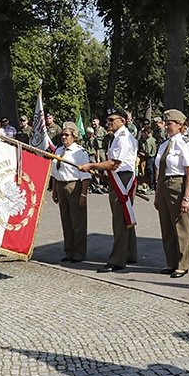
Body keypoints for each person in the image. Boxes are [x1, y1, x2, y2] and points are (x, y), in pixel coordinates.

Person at [78, 107, 138, 273]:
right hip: (119, 177)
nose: (108, 123)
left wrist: (91, 165)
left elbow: (114, 164)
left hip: (122, 179)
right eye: (107, 120)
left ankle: (117, 260)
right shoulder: (117, 137)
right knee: (126, 217)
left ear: (122, 121)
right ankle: (130, 253)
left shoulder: (122, 138)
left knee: (120, 220)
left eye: (112, 120)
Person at [154, 109, 189, 279]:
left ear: (180, 125)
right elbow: (158, 170)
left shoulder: (185, 144)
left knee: (181, 225)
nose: (167, 126)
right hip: (163, 185)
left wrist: (187, 197)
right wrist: (157, 194)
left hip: (177, 184)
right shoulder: (164, 144)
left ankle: (182, 264)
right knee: (167, 226)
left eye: (170, 123)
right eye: (166, 123)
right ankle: (171, 262)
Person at [51, 122, 91, 263]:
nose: (64, 137)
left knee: (77, 222)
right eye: (62, 135)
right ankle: (69, 251)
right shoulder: (58, 150)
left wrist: (83, 194)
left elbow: (86, 176)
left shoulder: (80, 152)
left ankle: (79, 253)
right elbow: (55, 173)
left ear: (74, 136)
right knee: (66, 221)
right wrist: (54, 189)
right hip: (61, 186)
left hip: (74, 186)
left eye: (67, 135)